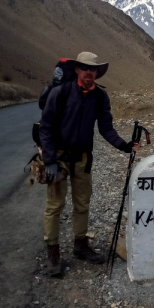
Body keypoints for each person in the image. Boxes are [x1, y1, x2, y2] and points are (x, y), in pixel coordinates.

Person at [39, 52, 140, 276]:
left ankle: (80, 245)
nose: (89, 73)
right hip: (59, 158)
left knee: (83, 204)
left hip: (83, 159)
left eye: (93, 69)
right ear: (76, 69)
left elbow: (106, 128)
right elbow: (45, 128)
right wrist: (49, 161)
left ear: (96, 72)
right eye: (85, 68)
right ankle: (53, 252)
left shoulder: (100, 97)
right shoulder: (61, 92)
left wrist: (124, 146)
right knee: (55, 206)